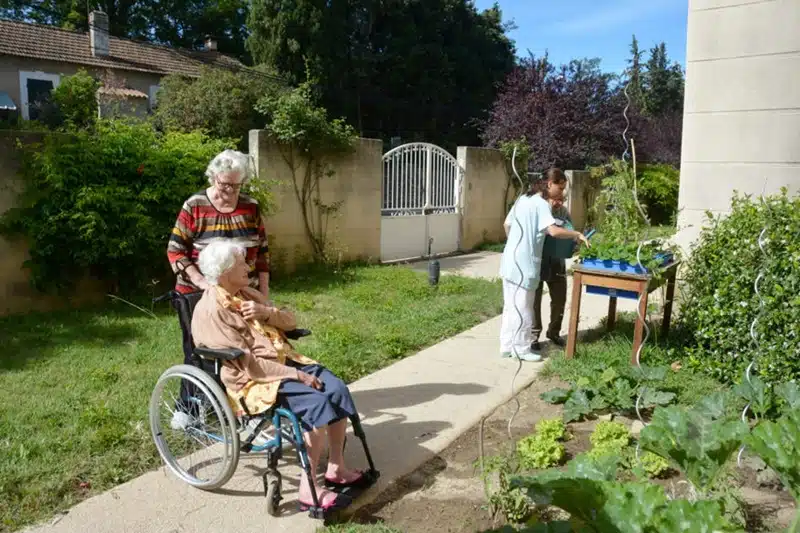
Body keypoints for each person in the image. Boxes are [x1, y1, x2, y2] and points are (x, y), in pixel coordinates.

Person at [191, 240, 365, 512]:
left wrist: (267, 312)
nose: (248, 266)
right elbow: (252, 367)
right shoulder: (211, 310)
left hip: (285, 361)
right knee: (316, 403)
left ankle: (336, 467)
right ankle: (308, 488)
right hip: (255, 380)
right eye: (241, 263)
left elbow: (291, 322)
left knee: (337, 389)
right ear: (225, 271)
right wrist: (297, 375)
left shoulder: (245, 293)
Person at [499, 168, 589, 362]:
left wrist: (517, 245)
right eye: (561, 187)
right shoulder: (540, 204)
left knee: (510, 306)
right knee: (524, 307)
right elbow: (554, 231)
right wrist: (576, 234)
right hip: (525, 265)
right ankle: (521, 349)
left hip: (510, 261)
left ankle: (507, 346)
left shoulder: (523, 199)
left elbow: (507, 225)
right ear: (549, 184)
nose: (562, 192)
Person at [167, 149, 270, 299]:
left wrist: (264, 295)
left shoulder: (250, 207)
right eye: (225, 184)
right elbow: (175, 251)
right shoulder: (195, 206)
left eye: (236, 186)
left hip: (245, 295)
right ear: (214, 177)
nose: (230, 191)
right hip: (201, 294)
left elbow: (263, 253)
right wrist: (201, 282)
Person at [531, 169, 575, 350]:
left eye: (562, 199)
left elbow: (570, 230)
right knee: (534, 299)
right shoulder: (539, 208)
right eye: (557, 198)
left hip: (557, 261)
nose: (559, 202)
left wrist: (573, 240)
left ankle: (554, 332)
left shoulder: (563, 212)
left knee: (559, 298)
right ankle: (533, 336)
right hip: (538, 260)